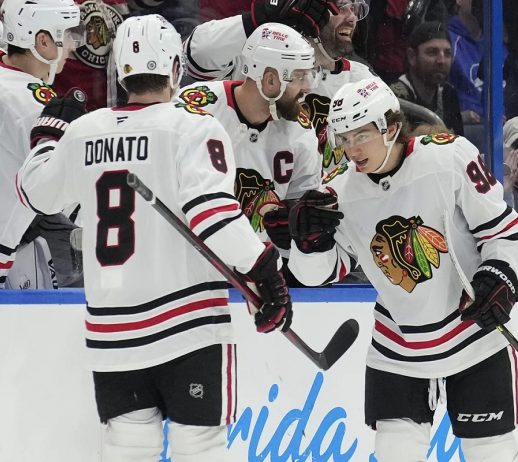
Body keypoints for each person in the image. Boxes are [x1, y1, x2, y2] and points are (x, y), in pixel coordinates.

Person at [16, 14, 292, 462]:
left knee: (127, 452)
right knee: (200, 451)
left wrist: (48, 139)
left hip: (112, 332)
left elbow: (36, 193)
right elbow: (214, 216)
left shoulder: (85, 131)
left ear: (119, 70)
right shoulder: (192, 126)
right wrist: (266, 271)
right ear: (176, 69)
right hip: (189, 329)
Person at [288, 77, 518, 461]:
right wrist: (309, 244)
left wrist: (500, 275)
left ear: (391, 128)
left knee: (492, 454)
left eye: (360, 135)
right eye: (343, 138)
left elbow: (504, 231)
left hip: (474, 334)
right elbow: (317, 276)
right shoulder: (339, 193)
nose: (351, 149)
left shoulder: (449, 157)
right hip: (398, 344)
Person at [176, 22, 322, 264]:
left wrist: (295, 227)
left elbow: (303, 203)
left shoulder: (300, 131)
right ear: (270, 80)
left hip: (260, 272)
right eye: (299, 76)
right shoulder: (195, 106)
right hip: (192, 267)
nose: (308, 86)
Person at [183, 0, 374, 174]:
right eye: (342, 7)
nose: (352, 18)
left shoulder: (361, 81)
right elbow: (195, 58)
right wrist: (255, 20)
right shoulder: (258, 55)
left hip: (308, 205)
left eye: (356, 9)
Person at [0, 0, 83, 288]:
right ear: (42, 41)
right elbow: (70, 198)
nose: (73, 46)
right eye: (66, 35)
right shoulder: (35, 108)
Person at [389, 21, 464, 135]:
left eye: (447, 53)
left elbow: (460, 142)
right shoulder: (395, 97)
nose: (441, 61)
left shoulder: (448, 93)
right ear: (412, 56)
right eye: (432, 52)